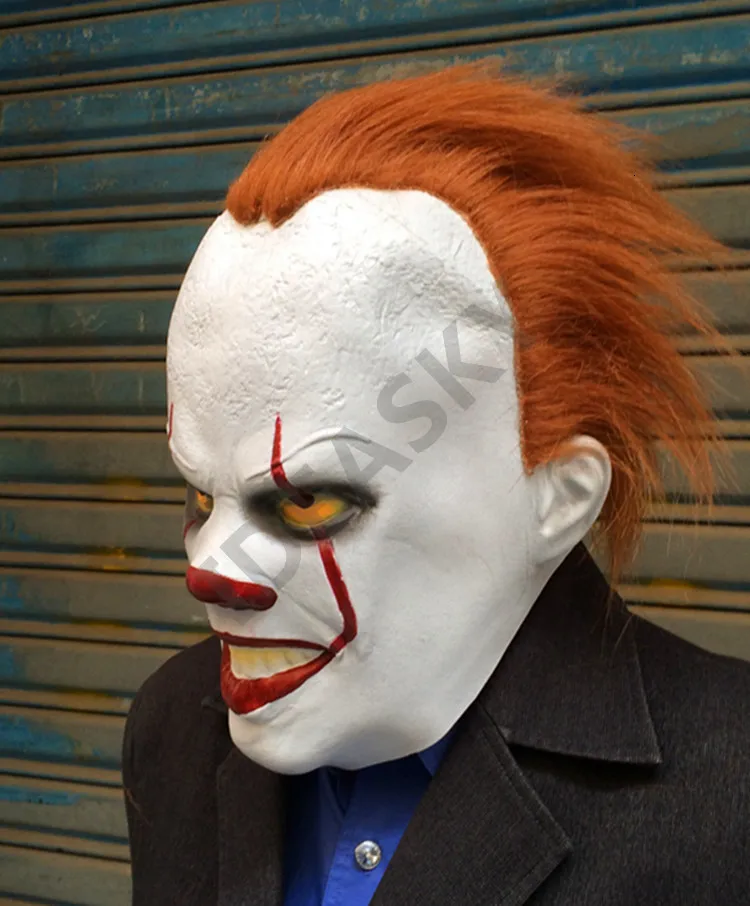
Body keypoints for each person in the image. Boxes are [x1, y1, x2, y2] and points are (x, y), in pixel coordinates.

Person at [123, 65, 750, 905]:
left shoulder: (731, 794)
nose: (209, 569)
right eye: (203, 498)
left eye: (308, 502)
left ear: (558, 496)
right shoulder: (172, 729)